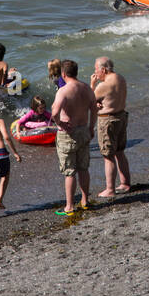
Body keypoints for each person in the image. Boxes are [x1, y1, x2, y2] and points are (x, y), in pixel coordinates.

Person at [51, 60, 97, 214]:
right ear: (76, 72)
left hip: (68, 134)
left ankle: (69, 206)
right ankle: (85, 201)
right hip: (83, 130)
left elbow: (55, 112)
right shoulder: (86, 88)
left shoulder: (63, 91)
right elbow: (94, 108)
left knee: (70, 171)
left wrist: (60, 124)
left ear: (63, 74)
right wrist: (91, 127)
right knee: (83, 168)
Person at [91, 56, 131, 197]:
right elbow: (111, 97)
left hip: (108, 120)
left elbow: (88, 101)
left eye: (96, 70)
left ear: (103, 69)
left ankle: (110, 189)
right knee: (120, 151)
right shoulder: (120, 78)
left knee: (108, 156)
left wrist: (92, 84)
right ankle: (125, 183)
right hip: (121, 116)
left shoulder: (103, 86)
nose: (95, 73)